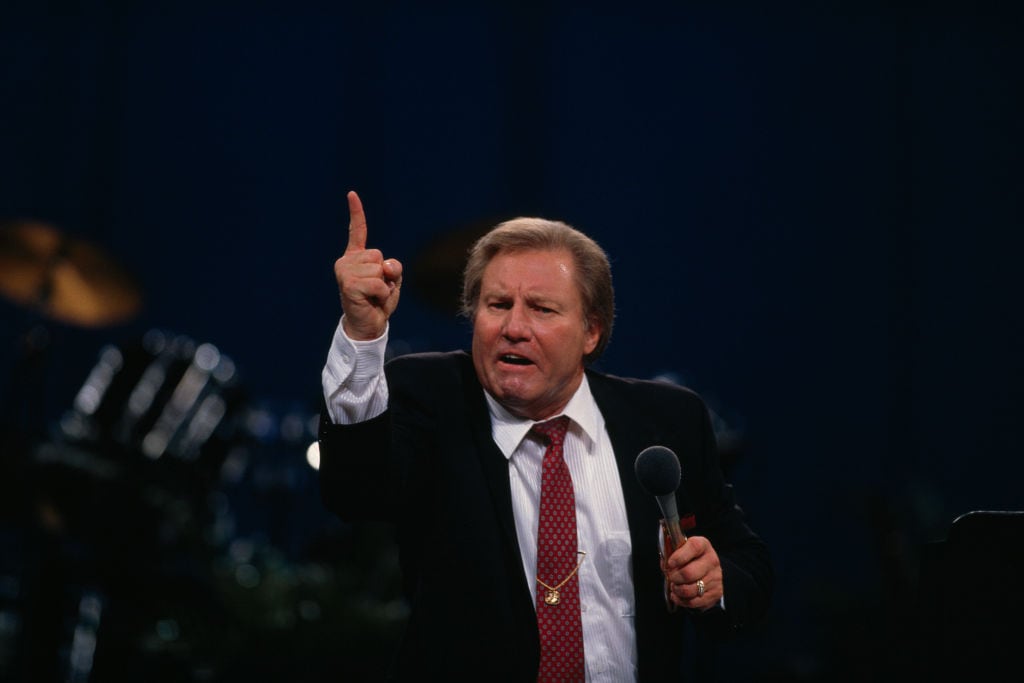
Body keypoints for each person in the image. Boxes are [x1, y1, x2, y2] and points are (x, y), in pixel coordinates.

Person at [318, 191, 773, 682]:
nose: (514, 327)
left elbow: (747, 562)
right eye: (497, 304)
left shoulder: (668, 419)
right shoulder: (433, 398)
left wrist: (716, 583)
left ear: (591, 332)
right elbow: (355, 491)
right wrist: (362, 335)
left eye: (542, 309)